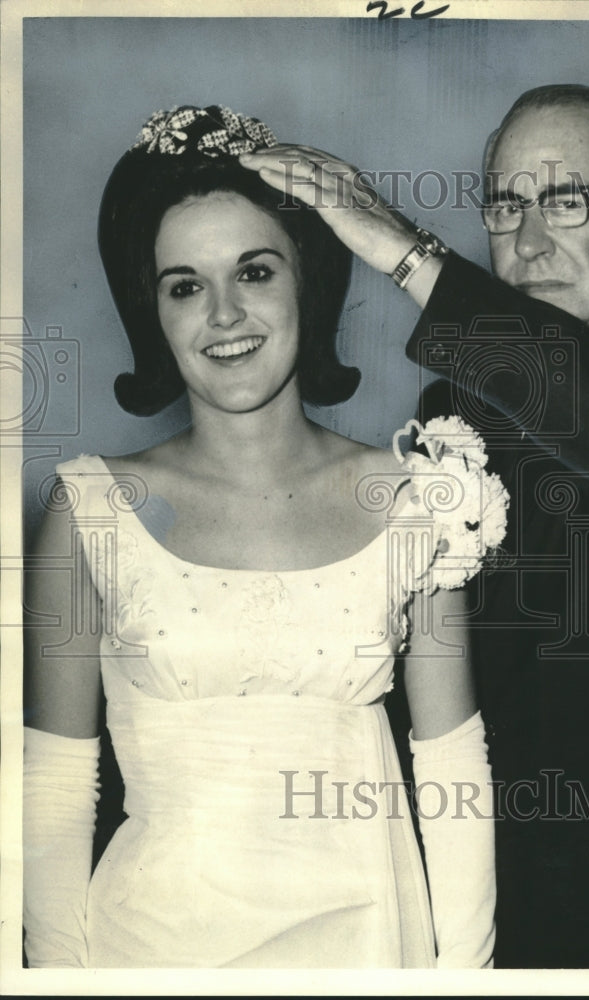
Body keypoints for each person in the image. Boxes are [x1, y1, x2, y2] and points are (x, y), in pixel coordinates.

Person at [239, 83, 589, 968]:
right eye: (505, 206)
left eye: (565, 201)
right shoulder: (456, 401)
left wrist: (406, 255)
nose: (528, 242)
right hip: (502, 898)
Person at [22, 104, 506, 969]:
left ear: (305, 284)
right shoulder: (90, 508)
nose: (222, 315)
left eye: (253, 272)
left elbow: (452, 772)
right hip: (148, 954)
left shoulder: (420, 496)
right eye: (184, 286)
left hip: (368, 947)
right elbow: (55, 789)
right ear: (153, 312)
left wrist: (467, 981)